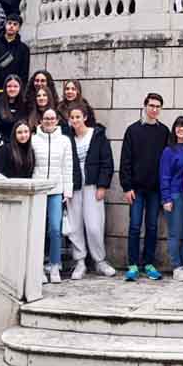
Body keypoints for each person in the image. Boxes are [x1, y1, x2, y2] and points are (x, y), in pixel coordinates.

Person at [121, 93, 170, 282]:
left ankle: (149, 263)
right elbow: (125, 160)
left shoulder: (164, 131)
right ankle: (132, 265)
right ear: (145, 106)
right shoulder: (132, 130)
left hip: (155, 190)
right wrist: (127, 186)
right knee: (134, 227)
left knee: (152, 227)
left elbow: (166, 162)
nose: (154, 109)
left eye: (158, 106)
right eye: (151, 105)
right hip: (136, 189)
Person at [65, 104, 116, 280]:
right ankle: (80, 262)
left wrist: (103, 185)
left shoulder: (97, 135)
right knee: (75, 226)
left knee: (94, 226)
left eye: (78, 117)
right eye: (72, 117)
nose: (75, 120)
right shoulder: (67, 138)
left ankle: (100, 261)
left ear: (85, 117)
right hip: (74, 186)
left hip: (93, 186)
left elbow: (107, 162)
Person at [31, 108, 73, 283]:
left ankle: (55, 265)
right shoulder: (33, 140)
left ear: (57, 121)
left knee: (55, 229)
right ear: (41, 120)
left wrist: (67, 190)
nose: (49, 121)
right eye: (46, 118)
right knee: (38, 230)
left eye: (52, 118)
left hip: (56, 190)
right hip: (39, 190)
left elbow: (67, 166)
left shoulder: (64, 141)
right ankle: (38, 267)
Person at [160, 116, 183, 282]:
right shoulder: (169, 151)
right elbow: (164, 176)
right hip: (175, 195)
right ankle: (176, 266)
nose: (182, 129)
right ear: (174, 129)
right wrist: (166, 198)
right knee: (175, 233)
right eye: (179, 127)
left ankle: (182, 264)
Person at [0, 14, 29, 92]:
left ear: (19, 28)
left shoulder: (23, 49)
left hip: (13, 91)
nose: (11, 26)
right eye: (9, 23)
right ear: (5, 24)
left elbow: (24, 74)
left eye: (15, 24)